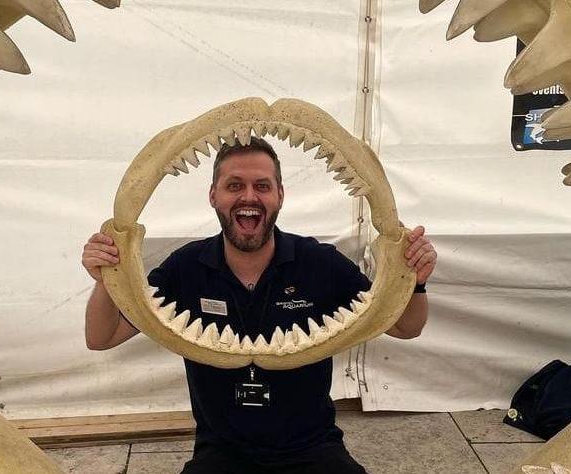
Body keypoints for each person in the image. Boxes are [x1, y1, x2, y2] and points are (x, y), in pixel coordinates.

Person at [81, 137, 437, 474]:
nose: (248, 197)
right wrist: (107, 280)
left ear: (280, 195)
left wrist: (415, 281)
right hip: (221, 452)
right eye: (234, 185)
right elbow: (102, 336)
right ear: (213, 195)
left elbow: (405, 327)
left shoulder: (320, 263)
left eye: (262, 186)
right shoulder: (185, 268)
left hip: (311, 448)